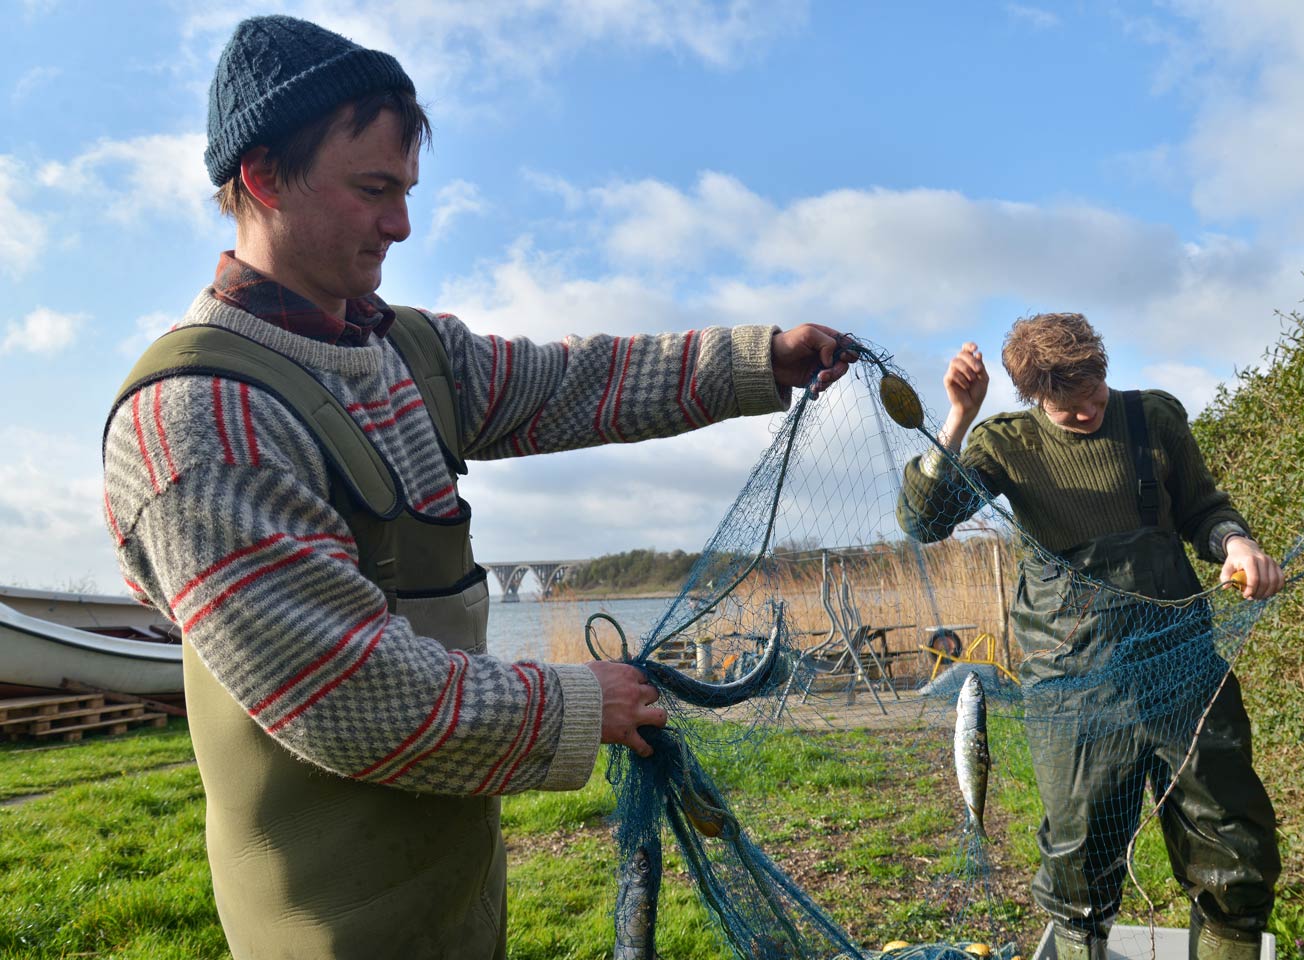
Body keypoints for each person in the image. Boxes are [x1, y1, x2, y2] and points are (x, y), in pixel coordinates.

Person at [100, 15, 851, 960]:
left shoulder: (408, 351)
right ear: (260, 178)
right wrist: (581, 705)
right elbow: (345, 693)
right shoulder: (199, 421)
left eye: (407, 191)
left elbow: (577, 383)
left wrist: (759, 362)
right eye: (374, 190)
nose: (401, 224)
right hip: (329, 932)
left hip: (457, 894)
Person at [895, 314, 1282, 960]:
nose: (1088, 413)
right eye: (1068, 407)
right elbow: (922, 520)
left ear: (1104, 370)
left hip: (1182, 671)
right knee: (1078, 867)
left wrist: (1235, 543)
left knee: (1234, 851)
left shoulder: (1154, 420)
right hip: (1072, 690)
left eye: (1096, 396)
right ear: (1033, 398)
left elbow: (1205, 509)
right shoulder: (1005, 444)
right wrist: (958, 419)